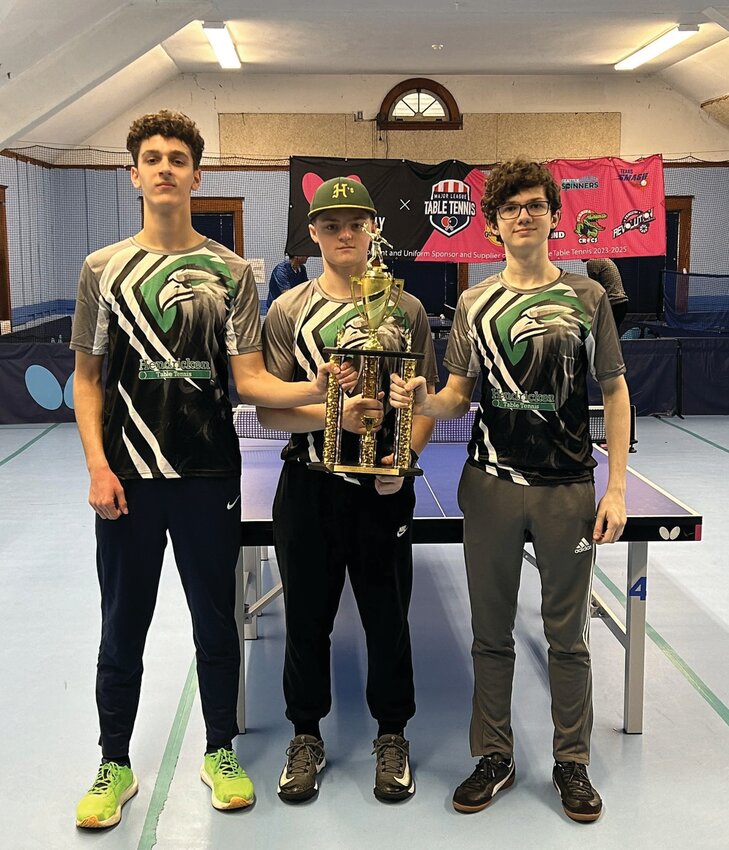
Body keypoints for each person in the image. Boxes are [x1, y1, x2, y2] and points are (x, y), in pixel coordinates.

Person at [71, 110, 349, 829]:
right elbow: (89, 378)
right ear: (134, 174)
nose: (164, 168)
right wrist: (98, 466)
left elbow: (251, 382)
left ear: (196, 176)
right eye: (151, 158)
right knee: (121, 628)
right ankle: (114, 764)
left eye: (177, 159)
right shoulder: (102, 270)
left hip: (207, 479)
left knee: (214, 626)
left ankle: (219, 750)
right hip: (127, 481)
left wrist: (319, 392)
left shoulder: (231, 273)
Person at [390, 159, 631, 823]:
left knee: (567, 637)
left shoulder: (586, 298)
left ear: (553, 214)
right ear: (493, 225)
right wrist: (422, 398)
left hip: (567, 491)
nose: (522, 216)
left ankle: (571, 762)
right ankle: (492, 756)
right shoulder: (473, 303)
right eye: (509, 208)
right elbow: (458, 397)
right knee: (490, 635)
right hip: (490, 487)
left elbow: (613, 390)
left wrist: (615, 489)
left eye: (533, 205)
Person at [257, 177, 438, 804]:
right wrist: (332, 412)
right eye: (330, 225)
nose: (343, 235)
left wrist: (404, 456)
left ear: (372, 229)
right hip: (308, 487)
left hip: (383, 492)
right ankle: (306, 736)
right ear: (313, 234)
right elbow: (271, 412)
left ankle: (392, 736)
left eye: (354, 224)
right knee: (306, 620)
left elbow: (425, 405)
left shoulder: (406, 310)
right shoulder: (287, 311)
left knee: (388, 619)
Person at [583, 257, 629, 332]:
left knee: (606, 335)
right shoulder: (603, 259)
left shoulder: (592, 262)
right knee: (612, 335)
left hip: (613, 303)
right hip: (621, 302)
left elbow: (595, 288)